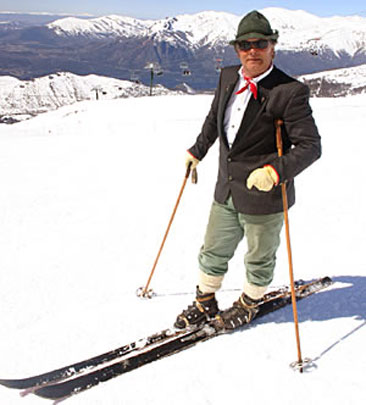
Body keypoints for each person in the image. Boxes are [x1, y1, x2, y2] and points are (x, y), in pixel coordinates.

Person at [174, 10, 321, 330]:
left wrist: (274, 172)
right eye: (244, 44)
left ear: (273, 47)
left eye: (260, 43)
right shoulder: (228, 76)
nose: (252, 50)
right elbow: (215, 120)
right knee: (212, 249)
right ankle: (205, 301)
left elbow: (311, 146)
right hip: (226, 187)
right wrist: (197, 150)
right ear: (237, 48)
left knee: (259, 257)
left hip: (264, 195)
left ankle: (249, 303)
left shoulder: (289, 91)